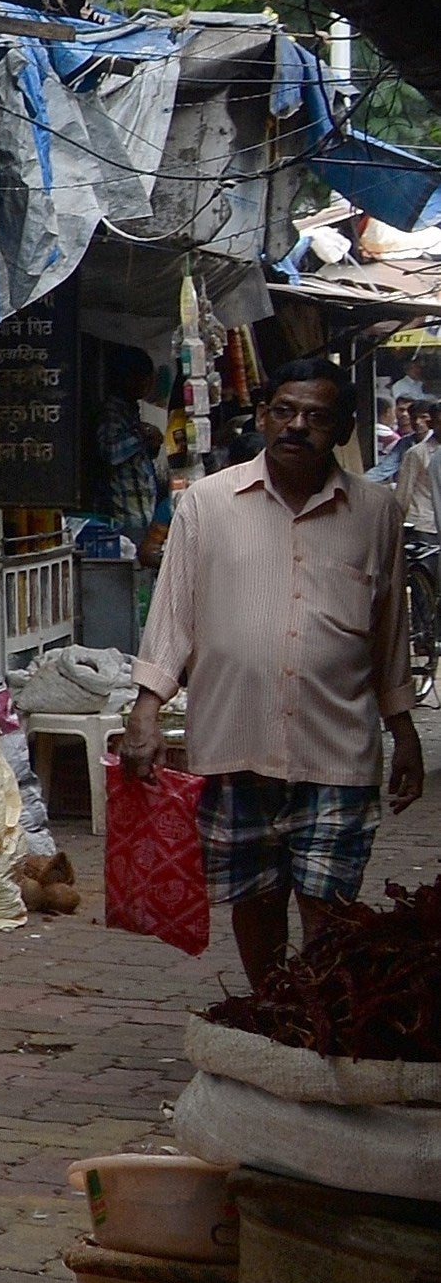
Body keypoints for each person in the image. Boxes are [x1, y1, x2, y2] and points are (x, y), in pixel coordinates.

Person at [123, 356, 430, 990]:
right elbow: (173, 613)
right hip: (234, 743)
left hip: (338, 746)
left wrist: (405, 732)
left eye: (316, 418)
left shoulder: (376, 513)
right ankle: (271, 1011)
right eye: (284, 412)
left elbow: (388, 636)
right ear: (264, 417)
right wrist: (145, 711)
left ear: (342, 426)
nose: (297, 427)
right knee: (255, 898)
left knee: (328, 904)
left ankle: (315, 1018)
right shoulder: (210, 502)